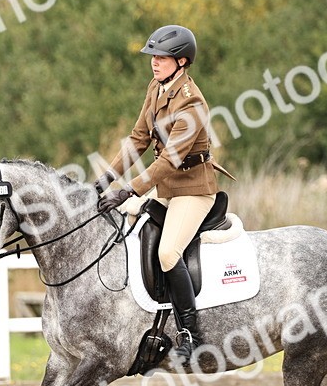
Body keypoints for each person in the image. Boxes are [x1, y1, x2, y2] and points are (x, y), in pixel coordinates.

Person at [94, 24, 231, 366]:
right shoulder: (156, 88)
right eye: (152, 56)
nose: (154, 63)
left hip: (193, 191)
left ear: (182, 61)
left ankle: (192, 334)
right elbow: (138, 139)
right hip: (166, 189)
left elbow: (170, 159)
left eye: (162, 57)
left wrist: (127, 190)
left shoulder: (194, 103)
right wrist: (105, 179)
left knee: (169, 252)